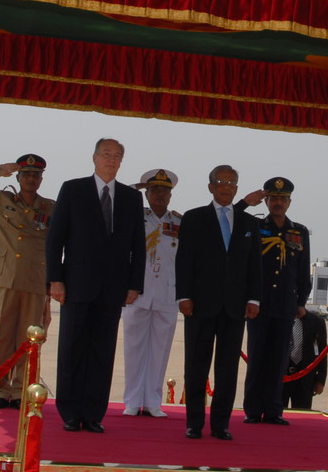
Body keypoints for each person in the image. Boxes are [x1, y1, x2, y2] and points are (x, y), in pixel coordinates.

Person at [45, 138, 146, 433]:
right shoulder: (73, 190)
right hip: (76, 285)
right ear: (94, 157)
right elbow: (55, 239)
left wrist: (134, 284)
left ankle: (93, 413)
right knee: (72, 349)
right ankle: (69, 411)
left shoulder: (131, 197)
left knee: (102, 352)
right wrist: (55, 279)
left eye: (117, 156)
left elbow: (138, 246)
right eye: (106, 154)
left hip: (113, 288)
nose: (111, 160)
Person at [175, 164, 262, 440]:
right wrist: (184, 295)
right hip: (200, 304)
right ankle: (194, 423)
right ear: (211, 187)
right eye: (222, 182)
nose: (227, 187)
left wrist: (254, 298)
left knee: (227, 368)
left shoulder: (249, 223)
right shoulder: (194, 218)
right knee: (196, 366)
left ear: (236, 189)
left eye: (232, 183)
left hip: (235, 306)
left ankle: (221, 424)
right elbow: (184, 260)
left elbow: (254, 265)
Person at [0, 153, 56, 409]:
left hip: (35, 278)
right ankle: (0, 389)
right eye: (26, 174)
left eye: (35, 175)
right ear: (17, 178)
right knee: (4, 335)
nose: (31, 179)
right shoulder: (0, 199)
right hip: (7, 276)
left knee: (28, 337)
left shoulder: (50, 207)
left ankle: (20, 389)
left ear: (41, 179)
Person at [238, 177, 312, 426]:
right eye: (273, 198)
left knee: (279, 360)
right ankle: (252, 409)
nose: (278, 203)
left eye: (283, 199)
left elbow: (302, 270)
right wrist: (245, 203)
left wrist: (301, 302)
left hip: (285, 304)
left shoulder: (299, 232)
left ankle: (273, 410)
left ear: (289, 202)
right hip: (259, 304)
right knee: (257, 357)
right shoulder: (256, 225)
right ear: (266, 201)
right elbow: (233, 222)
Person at [121, 169, 183, 418]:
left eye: (164, 190)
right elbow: (116, 200)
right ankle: (133, 400)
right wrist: (133, 189)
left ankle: (153, 401)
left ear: (171, 195)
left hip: (167, 293)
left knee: (161, 348)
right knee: (134, 347)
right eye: (154, 189)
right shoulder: (135, 217)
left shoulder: (178, 222)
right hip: (137, 291)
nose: (159, 194)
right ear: (146, 194)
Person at [283, 308, 328, 411]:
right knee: (276, 414)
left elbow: (322, 352)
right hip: (281, 378)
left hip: (305, 380)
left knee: (302, 414)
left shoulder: (317, 322)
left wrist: (321, 380)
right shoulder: (280, 318)